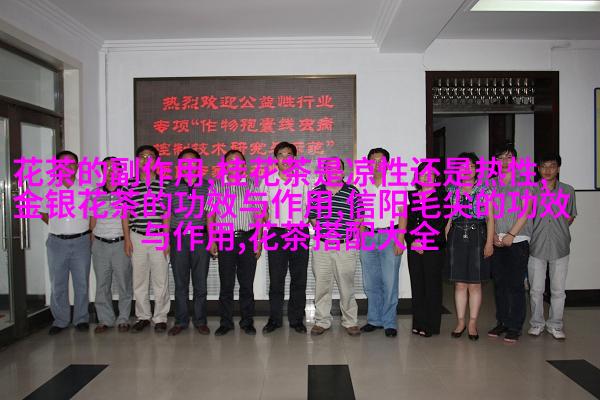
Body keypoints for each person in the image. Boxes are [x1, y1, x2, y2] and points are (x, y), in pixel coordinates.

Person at [206, 150, 263, 336]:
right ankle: (226, 322)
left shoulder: (252, 185)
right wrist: (212, 239)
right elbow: (210, 215)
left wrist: (258, 240)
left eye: (238, 161)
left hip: (248, 237)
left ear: (244, 165)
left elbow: (258, 215)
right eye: (230, 161)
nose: (234, 164)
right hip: (225, 238)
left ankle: (247, 321)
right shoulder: (217, 186)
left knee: (247, 284)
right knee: (226, 283)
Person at [308, 158, 363, 336]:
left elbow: (359, 217)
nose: (334, 172)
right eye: (329, 169)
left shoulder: (352, 191)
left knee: (347, 285)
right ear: (324, 172)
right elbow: (313, 218)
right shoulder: (316, 192)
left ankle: (350, 321)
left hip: (345, 246)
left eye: (337, 168)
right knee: (322, 285)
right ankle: (322, 321)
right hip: (322, 245)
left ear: (343, 171)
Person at [40, 150, 92, 335]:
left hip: (81, 241)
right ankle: (60, 320)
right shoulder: (48, 188)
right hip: (57, 243)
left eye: (71, 163)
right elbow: (43, 213)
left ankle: (81, 319)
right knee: (58, 283)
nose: (67, 167)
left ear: (77, 166)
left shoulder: (86, 188)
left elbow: (92, 214)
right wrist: (60, 227)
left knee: (82, 283)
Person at [261, 142, 310, 335]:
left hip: (299, 232)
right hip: (277, 233)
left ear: (294, 159)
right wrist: (271, 222)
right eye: (280, 155)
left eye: (288, 155)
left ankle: (297, 320)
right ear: (276, 159)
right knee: (276, 279)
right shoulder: (267, 181)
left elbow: (311, 207)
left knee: (299, 279)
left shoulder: (305, 180)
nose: (285, 159)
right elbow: (261, 208)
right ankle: (274, 319)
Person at [527, 153, 576, 340]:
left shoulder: (568, 191)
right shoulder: (531, 190)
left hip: (560, 245)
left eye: (552, 166)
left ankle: (555, 324)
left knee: (558, 290)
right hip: (536, 245)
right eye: (544, 166)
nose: (548, 170)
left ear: (558, 168)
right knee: (536, 289)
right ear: (538, 168)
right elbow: (526, 216)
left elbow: (570, 217)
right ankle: (537, 323)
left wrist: (557, 229)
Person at [122, 145, 171, 333]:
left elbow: (167, 214)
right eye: (142, 156)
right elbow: (125, 213)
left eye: (150, 156)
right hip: (137, 236)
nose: (145, 160)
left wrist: (166, 238)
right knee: (139, 280)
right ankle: (143, 316)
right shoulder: (129, 185)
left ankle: (160, 318)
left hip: (158, 236)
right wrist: (127, 239)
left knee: (161, 280)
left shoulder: (165, 184)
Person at [446, 152, 494, 341]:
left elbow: (490, 218)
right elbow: (449, 217)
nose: (466, 170)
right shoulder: (452, 190)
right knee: (459, 283)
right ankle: (460, 322)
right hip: (456, 236)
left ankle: (473, 322)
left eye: (471, 166)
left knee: (475, 284)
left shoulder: (485, 190)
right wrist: (446, 236)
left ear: (476, 169)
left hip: (477, 236)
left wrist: (489, 243)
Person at [488, 144, 533, 343]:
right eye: (500, 158)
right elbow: (489, 213)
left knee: (515, 284)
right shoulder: (491, 184)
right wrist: (492, 236)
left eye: (508, 158)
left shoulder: (524, 182)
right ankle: (503, 321)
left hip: (518, 239)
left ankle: (515, 325)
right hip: (497, 239)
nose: (504, 162)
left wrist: (511, 234)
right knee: (499, 284)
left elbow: (526, 211)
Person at [359, 148, 405, 338]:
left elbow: (403, 213)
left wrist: (400, 239)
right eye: (373, 161)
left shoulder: (396, 184)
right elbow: (359, 213)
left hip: (390, 235)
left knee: (390, 281)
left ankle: (389, 322)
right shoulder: (362, 185)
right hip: (368, 236)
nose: (376, 164)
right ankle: (374, 319)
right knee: (370, 282)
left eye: (380, 161)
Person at [166, 149, 211, 336]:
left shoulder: (207, 186)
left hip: (200, 237)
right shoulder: (171, 187)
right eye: (184, 162)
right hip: (178, 237)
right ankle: (181, 321)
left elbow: (211, 215)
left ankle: (200, 320)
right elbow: (166, 215)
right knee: (180, 282)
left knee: (200, 283)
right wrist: (166, 240)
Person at [91, 157, 133, 333]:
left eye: (115, 168)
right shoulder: (95, 193)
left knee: (124, 283)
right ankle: (105, 319)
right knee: (102, 284)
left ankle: (123, 319)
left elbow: (128, 218)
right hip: (100, 244)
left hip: (120, 243)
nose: (111, 171)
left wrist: (127, 241)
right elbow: (93, 219)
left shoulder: (127, 192)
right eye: (107, 168)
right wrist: (91, 242)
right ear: (102, 171)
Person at [405, 162, 447, 337]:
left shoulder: (442, 196)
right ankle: (419, 322)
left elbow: (440, 223)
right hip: (414, 247)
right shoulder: (412, 196)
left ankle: (431, 325)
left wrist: (423, 241)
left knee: (432, 286)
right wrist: (412, 241)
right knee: (417, 285)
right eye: (423, 173)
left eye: (431, 173)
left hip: (433, 246)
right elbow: (407, 221)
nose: (427, 176)